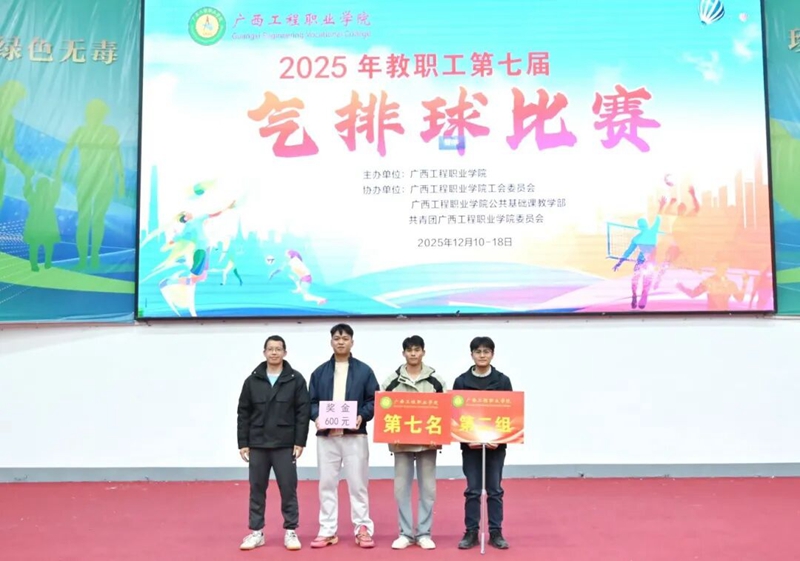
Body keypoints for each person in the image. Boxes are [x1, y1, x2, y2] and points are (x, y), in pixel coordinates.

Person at [308, 323, 380, 549]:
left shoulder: (364, 371)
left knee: (358, 484)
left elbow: (373, 400)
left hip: (354, 436)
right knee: (326, 484)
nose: (341, 342)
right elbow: (310, 402)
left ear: (352, 342)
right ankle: (327, 530)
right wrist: (316, 417)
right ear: (331, 341)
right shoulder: (319, 372)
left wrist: (361, 416)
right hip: (327, 437)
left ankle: (362, 528)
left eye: (345, 338)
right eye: (337, 338)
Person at [236, 335, 310, 551]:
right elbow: (243, 413)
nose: (274, 352)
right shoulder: (252, 381)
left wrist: (299, 441)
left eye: (278, 349)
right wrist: (243, 442)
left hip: (285, 444)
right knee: (256, 489)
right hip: (257, 444)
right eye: (270, 349)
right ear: (264, 353)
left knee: (288, 488)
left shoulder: (295, 379)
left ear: (285, 353)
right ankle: (256, 532)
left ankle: (291, 531)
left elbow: (303, 413)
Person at [382, 335, 447, 550]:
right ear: (403, 353)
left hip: (427, 444)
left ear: (423, 352)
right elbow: (383, 410)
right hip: (401, 445)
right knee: (401, 489)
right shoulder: (391, 381)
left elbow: (445, 410)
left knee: (428, 489)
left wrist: (438, 437)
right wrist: (391, 436)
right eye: (409, 350)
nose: (413, 353)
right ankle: (405, 533)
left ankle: (424, 533)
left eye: (417, 349)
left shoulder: (436, 381)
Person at [453, 336, 512, 550]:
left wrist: (500, 439)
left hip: (496, 447)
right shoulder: (461, 381)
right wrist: (466, 438)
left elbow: (510, 413)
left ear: (492, 354)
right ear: (472, 355)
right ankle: (471, 532)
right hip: (470, 447)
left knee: (495, 490)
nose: (482, 355)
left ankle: (496, 532)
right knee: (473, 490)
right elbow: (456, 415)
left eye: (486, 351)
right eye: (478, 351)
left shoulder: (502, 381)